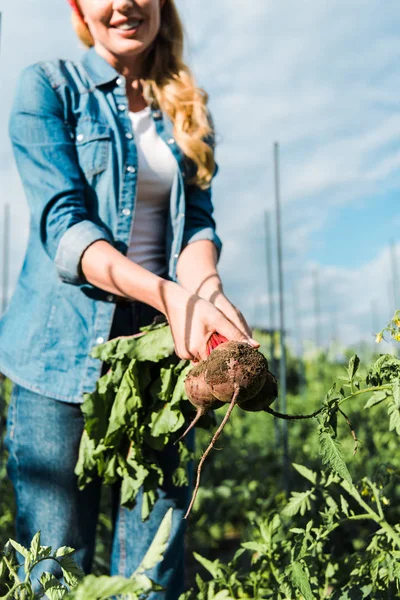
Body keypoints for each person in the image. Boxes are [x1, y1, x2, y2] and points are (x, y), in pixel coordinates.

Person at [0, 0, 258, 597]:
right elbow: (66, 229)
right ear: (78, 8)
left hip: (160, 361)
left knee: (155, 564)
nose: (124, 4)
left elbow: (195, 225)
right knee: (52, 567)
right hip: (58, 357)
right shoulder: (49, 88)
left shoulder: (186, 108)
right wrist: (171, 294)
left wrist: (208, 293)